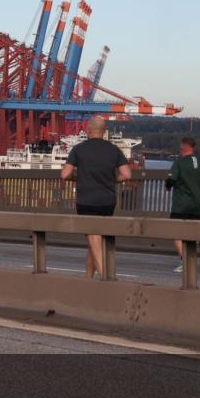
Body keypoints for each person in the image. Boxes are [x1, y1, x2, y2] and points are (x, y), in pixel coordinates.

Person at [60, 115, 131, 278]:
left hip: (87, 201)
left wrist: (75, 177)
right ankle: (88, 280)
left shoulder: (79, 149)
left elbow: (65, 174)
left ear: (88, 130)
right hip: (108, 202)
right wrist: (113, 179)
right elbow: (126, 174)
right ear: (104, 131)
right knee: (94, 240)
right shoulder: (114, 149)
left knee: (93, 237)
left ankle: (107, 278)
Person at [166, 137, 200, 272]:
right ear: (193, 147)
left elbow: (171, 179)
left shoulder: (179, 162)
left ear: (183, 147)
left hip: (181, 204)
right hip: (198, 204)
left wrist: (168, 187)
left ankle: (186, 262)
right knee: (195, 231)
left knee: (175, 232)